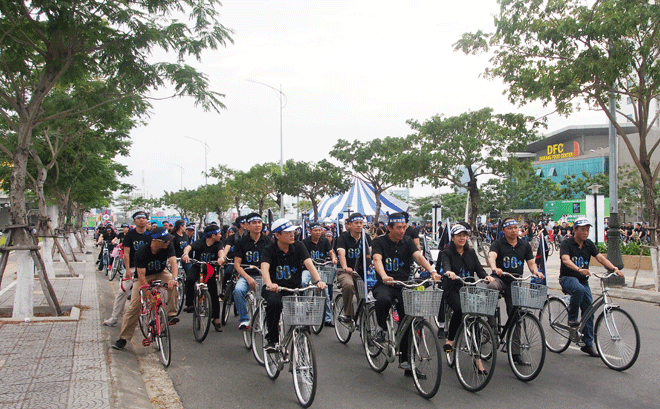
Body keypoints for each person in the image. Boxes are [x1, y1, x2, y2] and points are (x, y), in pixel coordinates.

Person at [371, 213, 441, 374]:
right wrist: (384, 276)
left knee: (408, 320)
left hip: (404, 284)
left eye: (404, 227)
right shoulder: (379, 242)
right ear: (389, 228)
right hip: (386, 283)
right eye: (398, 228)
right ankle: (381, 328)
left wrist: (432, 271)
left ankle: (406, 361)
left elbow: (418, 256)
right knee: (383, 300)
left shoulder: (408, 241)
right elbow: (377, 259)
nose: (402, 231)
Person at [559, 217, 623, 357]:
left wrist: (614, 269)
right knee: (578, 289)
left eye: (587, 230)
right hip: (568, 278)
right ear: (574, 230)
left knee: (589, 310)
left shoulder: (588, 244)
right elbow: (565, 260)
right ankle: (572, 318)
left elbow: (600, 257)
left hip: (583, 280)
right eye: (582, 229)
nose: (585, 232)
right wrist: (578, 269)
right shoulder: (567, 243)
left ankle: (588, 344)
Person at [260, 218, 326, 351]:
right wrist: (269, 284)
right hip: (275, 289)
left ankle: (302, 341)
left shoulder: (299, 246)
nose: (292, 235)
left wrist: (318, 280)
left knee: (302, 314)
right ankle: (272, 340)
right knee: (274, 304)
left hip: (294, 288)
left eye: (293, 232)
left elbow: (308, 263)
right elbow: (264, 268)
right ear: (277, 235)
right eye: (287, 233)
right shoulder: (269, 249)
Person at [486, 217, 544, 365]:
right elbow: (491, 256)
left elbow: (531, 264)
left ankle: (516, 352)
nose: (513, 230)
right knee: (491, 288)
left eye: (515, 227)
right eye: (509, 228)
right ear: (504, 230)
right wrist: (494, 268)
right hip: (500, 279)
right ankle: (492, 325)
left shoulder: (524, 245)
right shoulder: (498, 244)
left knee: (516, 315)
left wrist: (536, 272)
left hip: (515, 282)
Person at [112, 227, 179, 350]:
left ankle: (171, 314)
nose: (167, 242)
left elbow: (173, 262)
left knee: (174, 284)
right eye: (164, 241)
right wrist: (148, 294)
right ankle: (123, 338)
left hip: (160, 272)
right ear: (156, 241)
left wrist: (174, 278)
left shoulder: (168, 246)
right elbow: (141, 276)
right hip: (143, 277)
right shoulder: (141, 252)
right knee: (134, 305)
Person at [440, 224, 487, 370]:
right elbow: (446, 266)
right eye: (459, 235)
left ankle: (478, 358)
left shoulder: (471, 252)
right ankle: (451, 341)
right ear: (453, 238)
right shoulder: (446, 253)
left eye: (464, 235)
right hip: (453, 289)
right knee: (459, 310)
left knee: (476, 319)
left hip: (469, 289)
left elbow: (479, 270)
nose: (462, 238)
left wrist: (487, 277)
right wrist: (449, 272)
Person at [103, 212, 150, 327]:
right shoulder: (130, 235)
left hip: (148, 269)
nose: (141, 220)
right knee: (122, 292)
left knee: (154, 291)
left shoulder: (151, 235)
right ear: (134, 221)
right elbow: (126, 253)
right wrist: (127, 269)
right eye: (138, 218)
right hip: (133, 268)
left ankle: (154, 318)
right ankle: (114, 317)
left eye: (144, 218)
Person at [181, 225, 224, 332]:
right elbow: (189, 247)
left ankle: (216, 319)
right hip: (198, 266)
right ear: (213, 235)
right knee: (190, 279)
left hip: (209, 268)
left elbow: (221, 252)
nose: (220, 235)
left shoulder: (218, 243)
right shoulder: (201, 242)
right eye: (218, 233)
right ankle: (190, 303)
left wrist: (221, 258)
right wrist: (185, 254)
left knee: (214, 292)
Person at [232, 213, 271, 330]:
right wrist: (248, 278)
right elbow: (237, 265)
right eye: (254, 223)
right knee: (238, 291)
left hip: (264, 276)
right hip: (247, 275)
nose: (258, 225)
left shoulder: (268, 241)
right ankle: (244, 319)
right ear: (247, 226)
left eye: (259, 222)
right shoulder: (241, 242)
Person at [335, 213, 372, 322]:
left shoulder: (366, 237)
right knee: (348, 285)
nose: (359, 225)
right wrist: (345, 267)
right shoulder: (343, 237)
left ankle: (365, 315)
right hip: (346, 271)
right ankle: (348, 314)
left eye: (361, 223)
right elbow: (341, 254)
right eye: (356, 223)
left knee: (368, 291)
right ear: (350, 225)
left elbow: (370, 253)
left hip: (361, 271)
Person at [302, 222, 337, 327]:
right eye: (315, 230)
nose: (318, 232)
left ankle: (327, 318)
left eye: (319, 230)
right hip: (308, 269)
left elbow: (331, 252)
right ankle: (304, 308)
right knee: (303, 282)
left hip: (321, 269)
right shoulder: (305, 242)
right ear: (310, 231)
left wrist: (334, 259)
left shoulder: (325, 241)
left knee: (325, 292)